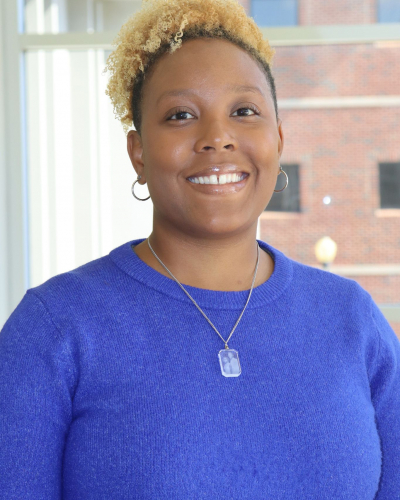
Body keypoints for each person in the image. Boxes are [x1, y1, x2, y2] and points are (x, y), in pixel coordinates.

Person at [1, 0, 399, 498]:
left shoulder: (353, 321)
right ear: (138, 153)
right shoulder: (53, 329)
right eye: (181, 115)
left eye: (244, 111)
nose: (217, 138)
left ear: (278, 140)